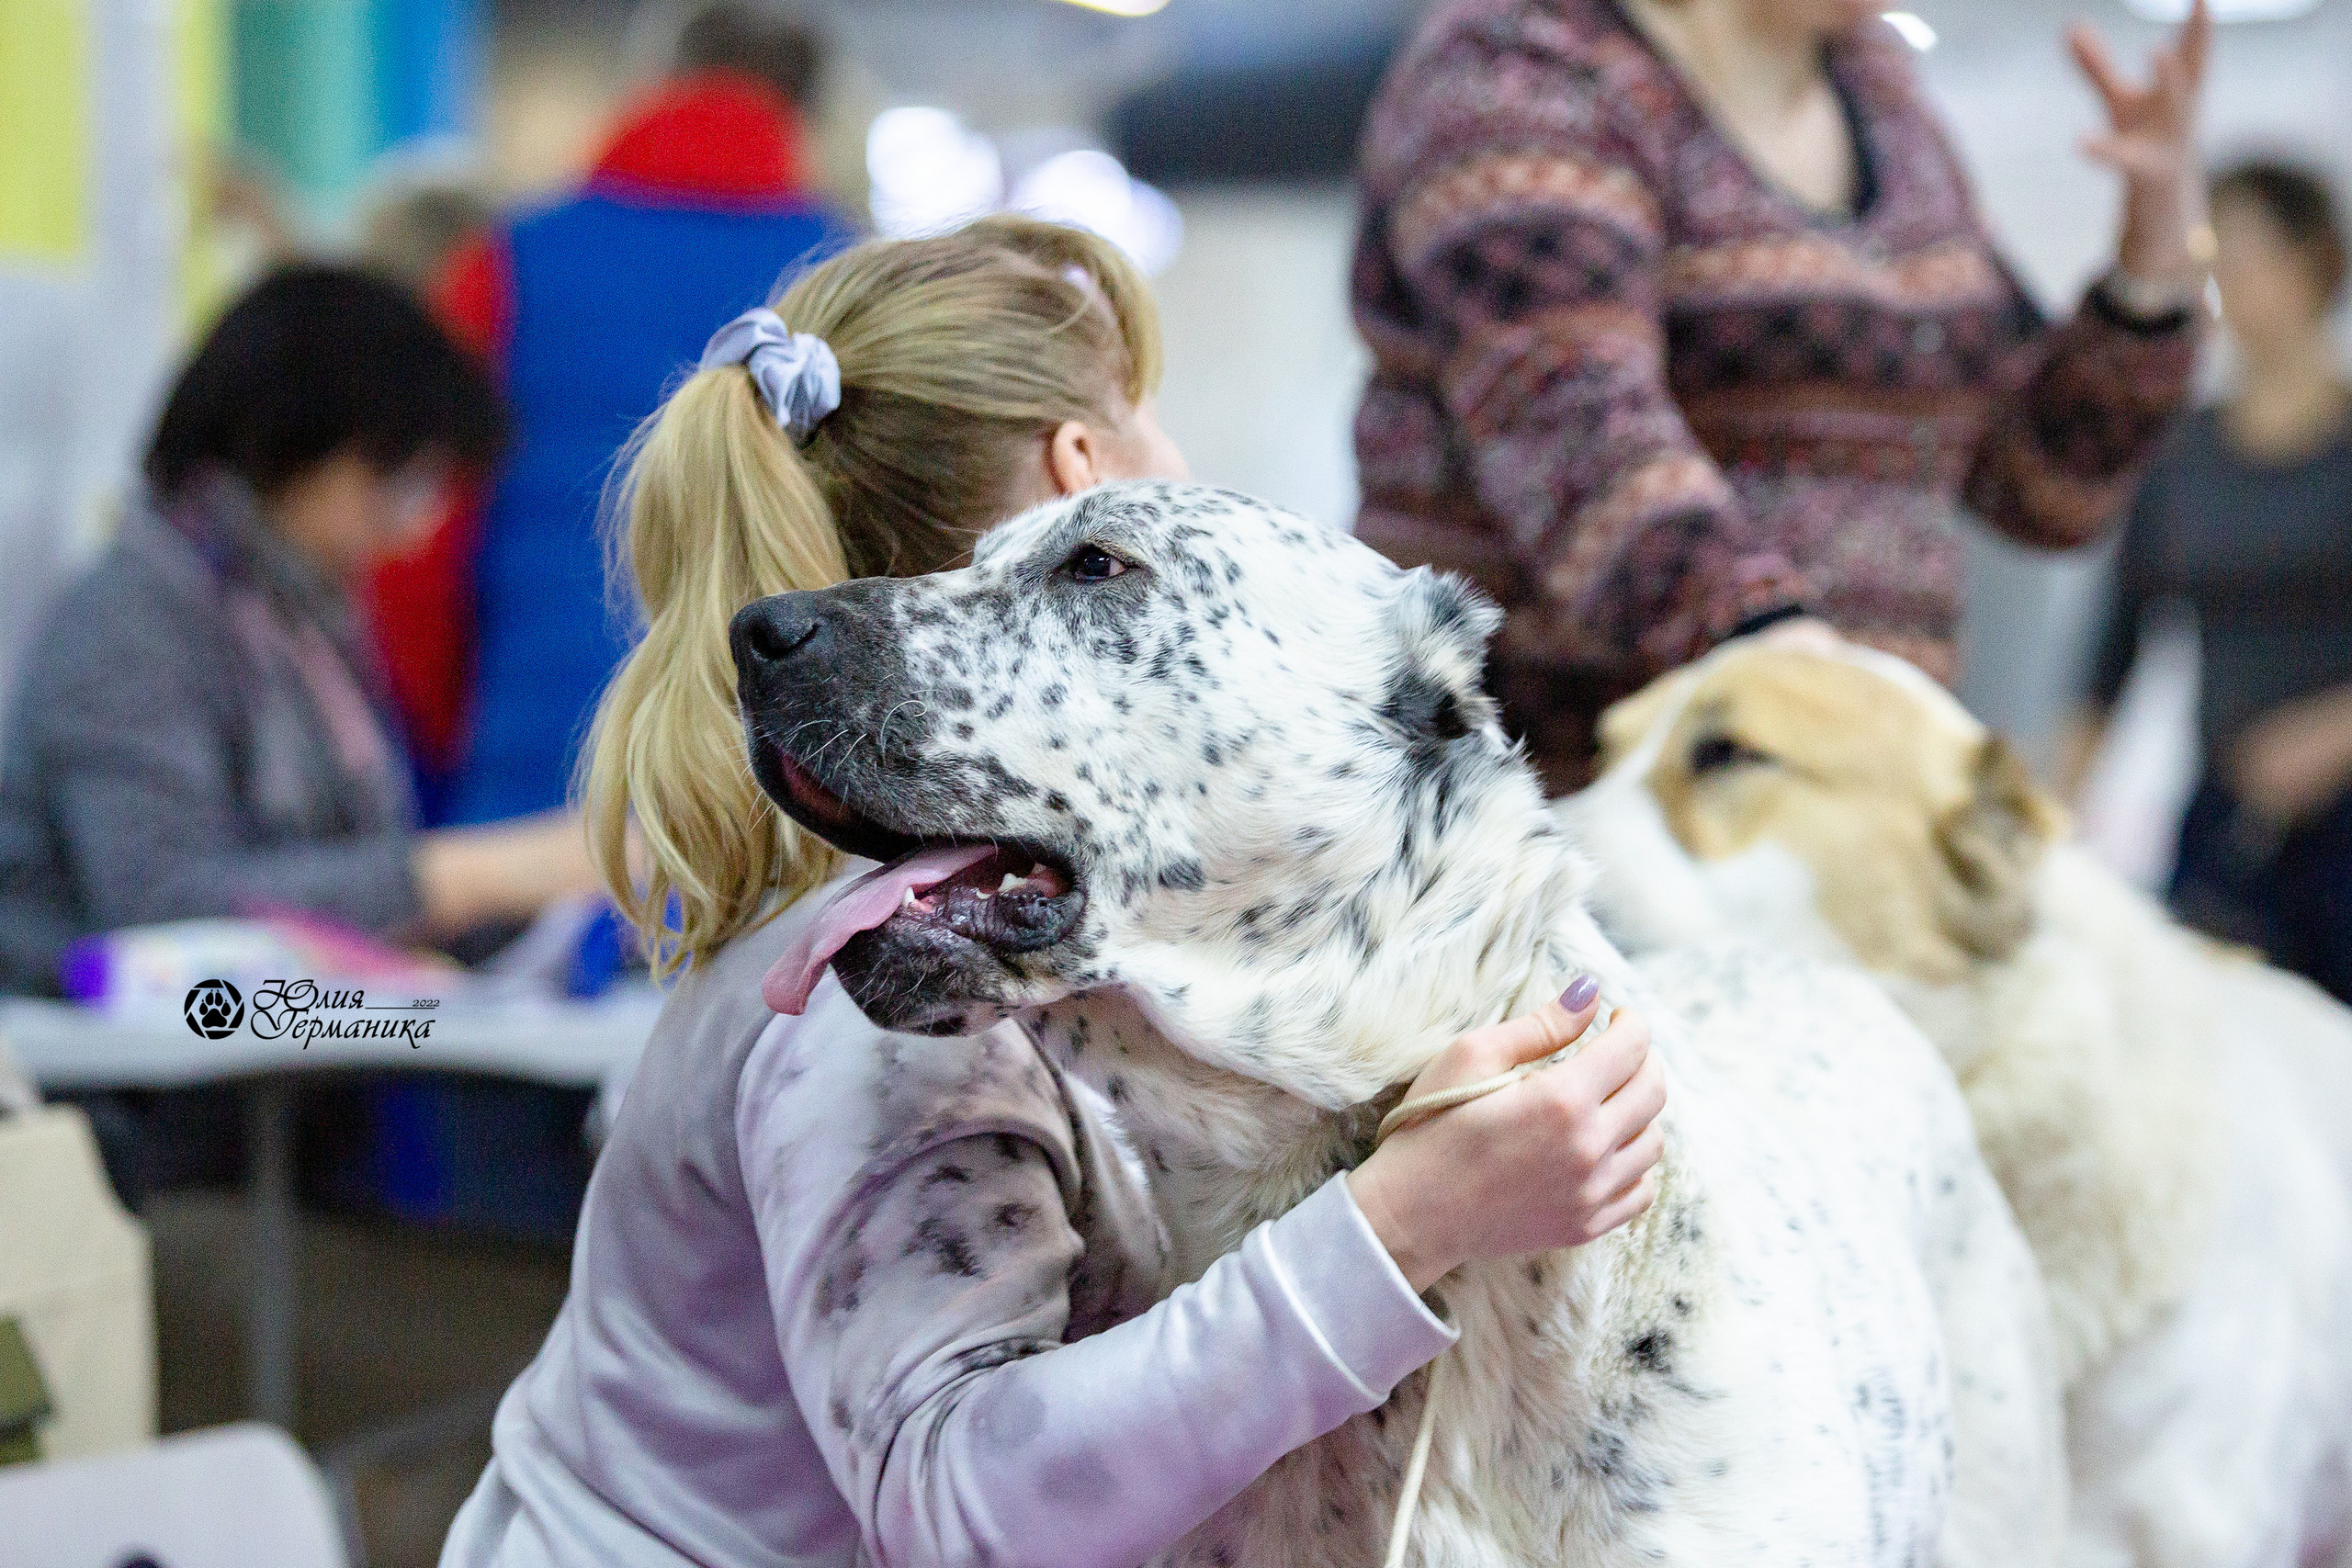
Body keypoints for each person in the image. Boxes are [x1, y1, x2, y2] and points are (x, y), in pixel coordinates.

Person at [441, 217, 1669, 1566]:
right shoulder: (877, 1006)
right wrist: (1412, 1216)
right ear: (1081, 475)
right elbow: (963, 1513)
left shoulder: (998, 896)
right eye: (1154, 412)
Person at [1353, 0, 2212, 789]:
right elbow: (1573, 425)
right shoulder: (1518, 65)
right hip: (1551, 814)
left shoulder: (1880, 96)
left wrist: (2153, 277)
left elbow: (2037, 487)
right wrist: (1794, 670)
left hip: (1819, 813)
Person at [0, 265, 604, 999]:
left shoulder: (305, 622)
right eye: (394, 477)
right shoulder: (135, 618)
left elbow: (342, 876)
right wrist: (470, 876)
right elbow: (162, 905)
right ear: (289, 439)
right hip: (120, 1099)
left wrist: (524, 903)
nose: (411, 525)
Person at [367, 0, 854, 829]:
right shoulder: (855, 278)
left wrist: (449, 754)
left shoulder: (505, 261)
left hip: (536, 782)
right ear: (807, 117)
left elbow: (413, 549)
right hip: (778, 810)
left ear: (657, 84)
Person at [2086, 159, 2352, 1005]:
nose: (2226, 279)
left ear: (2313, 263)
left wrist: (2333, 736)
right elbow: (2115, 643)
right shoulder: (2182, 454)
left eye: (2247, 253)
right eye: (2212, 254)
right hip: (2230, 813)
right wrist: (2046, 814)